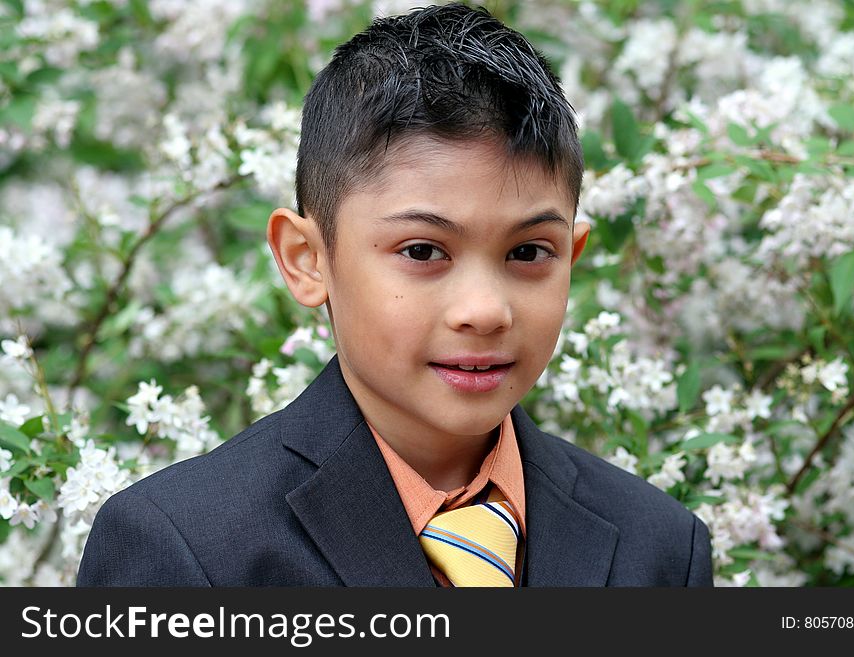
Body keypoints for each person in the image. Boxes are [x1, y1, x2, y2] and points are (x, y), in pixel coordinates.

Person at [77, 2, 713, 587]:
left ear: (571, 256)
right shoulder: (185, 550)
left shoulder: (659, 547)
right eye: (422, 252)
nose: (484, 311)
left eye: (528, 253)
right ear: (307, 259)